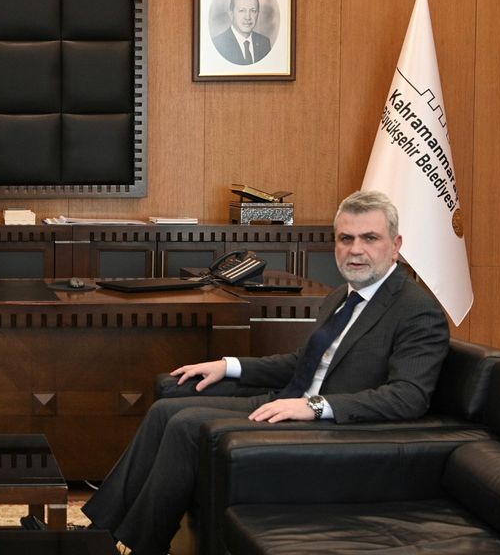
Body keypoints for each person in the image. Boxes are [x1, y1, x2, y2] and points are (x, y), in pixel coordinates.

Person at [81, 190, 450, 555]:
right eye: (345, 238)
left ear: (395, 246)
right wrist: (229, 365)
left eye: (369, 238)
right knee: (166, 409)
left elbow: (409, 396)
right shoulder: (341, 297)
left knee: (185, 424)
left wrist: (315, 407)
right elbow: (302, 362)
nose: (355, 250)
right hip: (287, 400)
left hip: (332, 427)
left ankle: (142, 545)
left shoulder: (416, 310)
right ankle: (99, 533)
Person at [211, 0, 272, 65]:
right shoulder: (219, 43)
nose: (248, 17)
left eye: (253, 11)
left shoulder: (264, 42)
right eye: (242, 10)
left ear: (258, 14)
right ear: (231, 14)